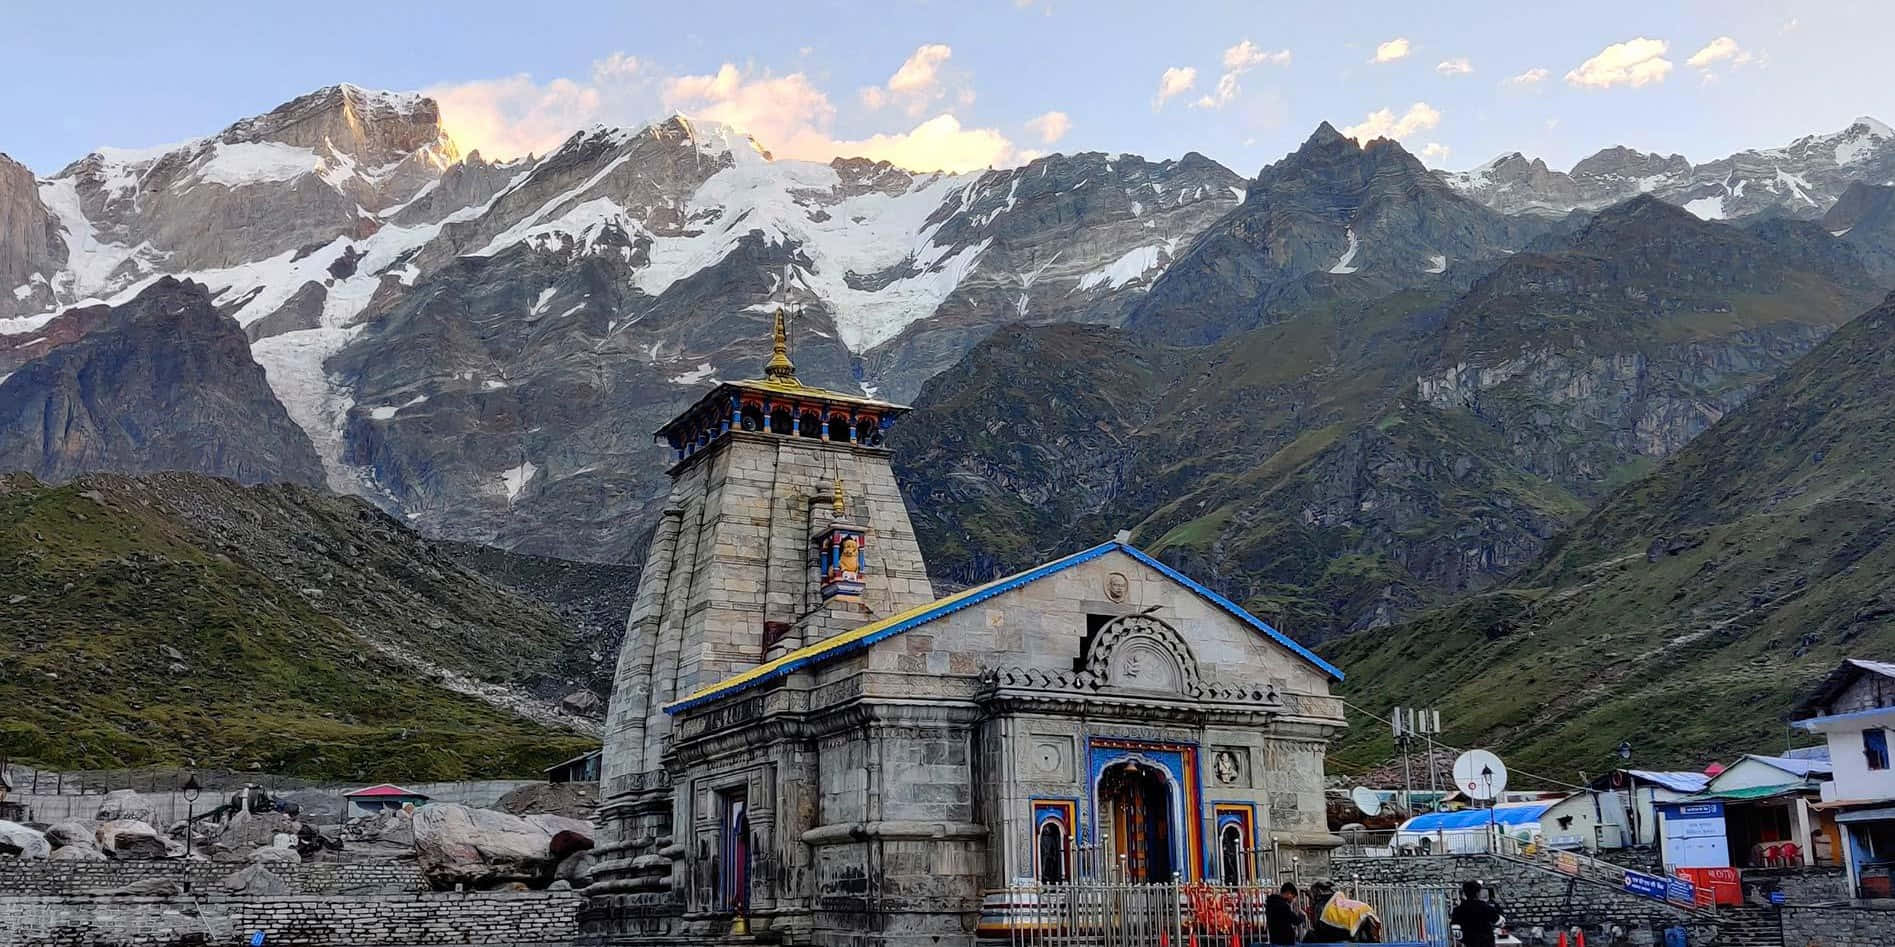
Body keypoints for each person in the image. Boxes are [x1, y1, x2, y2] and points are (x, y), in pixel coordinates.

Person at [1450, 880, 1502, 947]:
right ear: (1478, 893)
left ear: (1465, 893)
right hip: (1486, 943)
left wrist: (1464, 939)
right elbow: (1498, 922)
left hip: (1470, 943)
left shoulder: (1457, 910)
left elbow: (1456, 932)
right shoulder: (1486, 907)